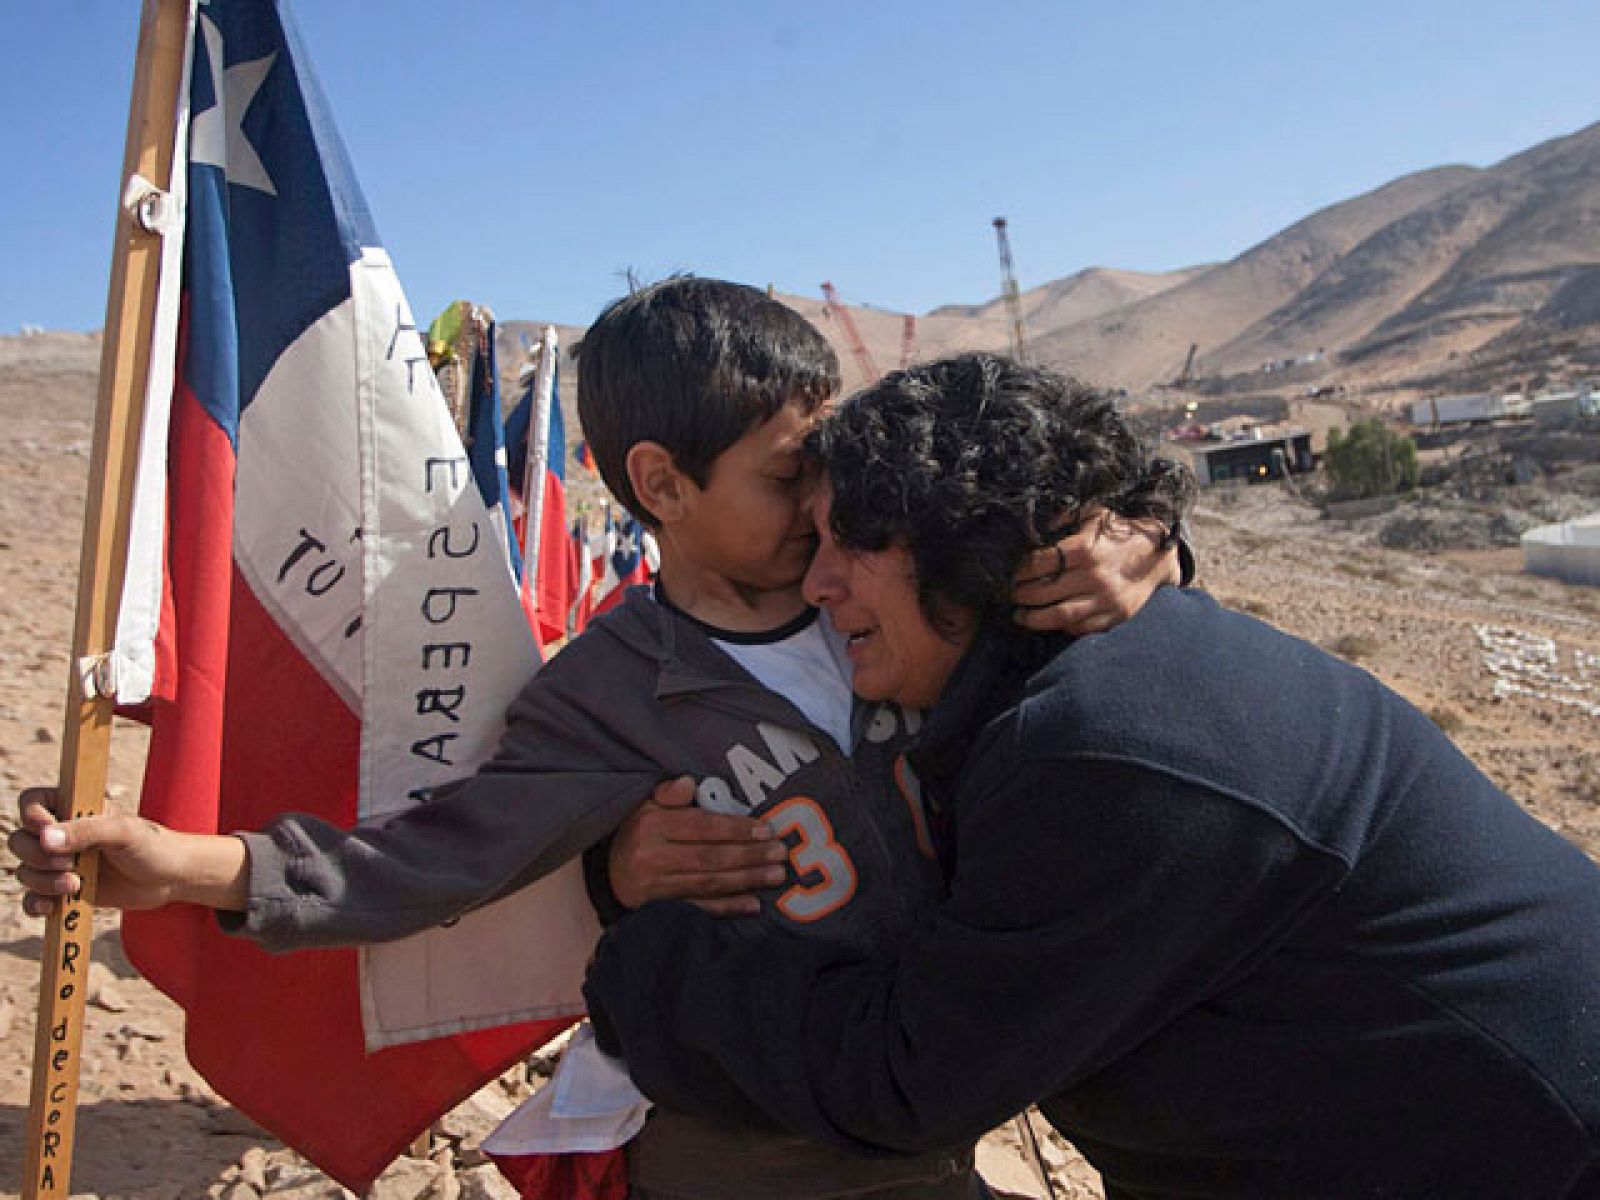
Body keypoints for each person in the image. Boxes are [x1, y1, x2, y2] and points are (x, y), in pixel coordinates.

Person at [13, 287, 1182, 1200]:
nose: (824, 507)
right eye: (787, 478)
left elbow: (1072, 591)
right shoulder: (606, 694)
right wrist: (188, 867)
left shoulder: (893, 589)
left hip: (935, 1107)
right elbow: (429, 860)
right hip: (754, 1157)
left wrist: (1152, 552)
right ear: (662, 484)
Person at [584, 353, 1600, 1200]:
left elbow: (908, 1077)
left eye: (852, 541)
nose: (816, 583)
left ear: (962, 537)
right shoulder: (1097, 668)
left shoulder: (1095, 749)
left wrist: (646, 972)